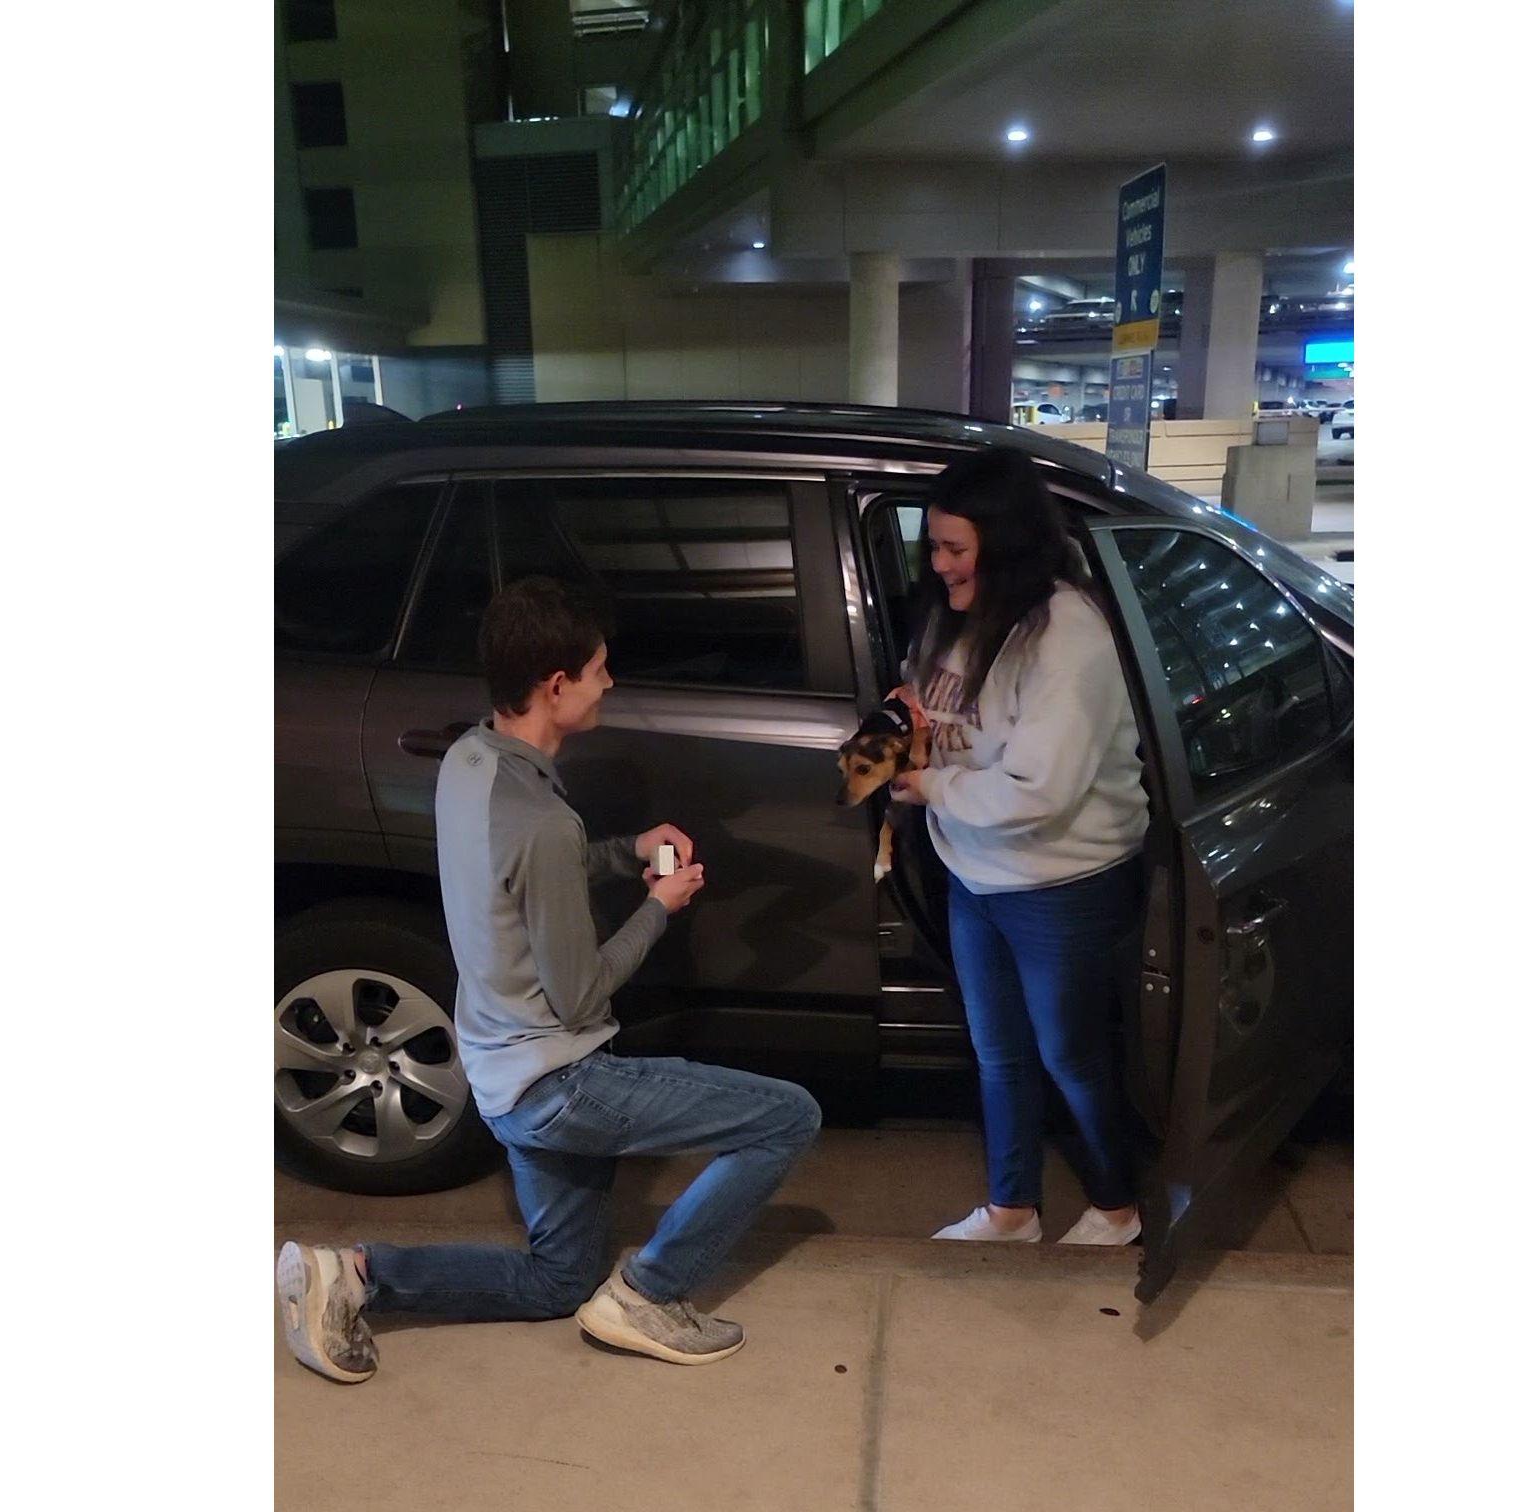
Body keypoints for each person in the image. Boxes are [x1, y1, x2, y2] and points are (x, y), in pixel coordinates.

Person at [277, 577, 823, 1378]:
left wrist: (627, 848)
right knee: (786, 1118)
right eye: (600, 670)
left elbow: (524, 877)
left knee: (556, 1278)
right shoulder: (542, 821)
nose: (609, 683)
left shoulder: (470, 760)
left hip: (499, 1072)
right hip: (561, 1084)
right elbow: (583, 994)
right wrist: (661, 905)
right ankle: (649, 1293)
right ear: (557, 684)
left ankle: (354, 1273)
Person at [887, 448, 1149, 1249]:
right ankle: (1013, 1211)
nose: (940, 566)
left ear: (1004, 543)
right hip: (975, 869)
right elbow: (936, 696)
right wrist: (910, 723)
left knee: (1070, 1054)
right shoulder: (955, 614)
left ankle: (1116, 1208)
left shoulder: (1067, 636)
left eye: (956, 549)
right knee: (996, 1050)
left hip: (1060, 879)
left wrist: (932, 789)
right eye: (932, 548)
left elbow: (1042, 789)